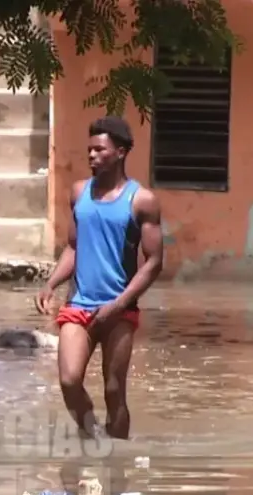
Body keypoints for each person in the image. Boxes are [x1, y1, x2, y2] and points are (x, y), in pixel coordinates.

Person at [35, 116, 164, 440]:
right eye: (89, 149)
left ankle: (116, 460)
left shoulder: (142, 200)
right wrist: (51, 283)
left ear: (120, 152)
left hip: (119, 309)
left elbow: (154, 263)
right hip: (79, 305)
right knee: (69, 380)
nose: (91, 155)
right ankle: (93, 437)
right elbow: (74, 246)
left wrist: (119, 304)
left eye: (99, 150)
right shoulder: (79, 192)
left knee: (114, 389)